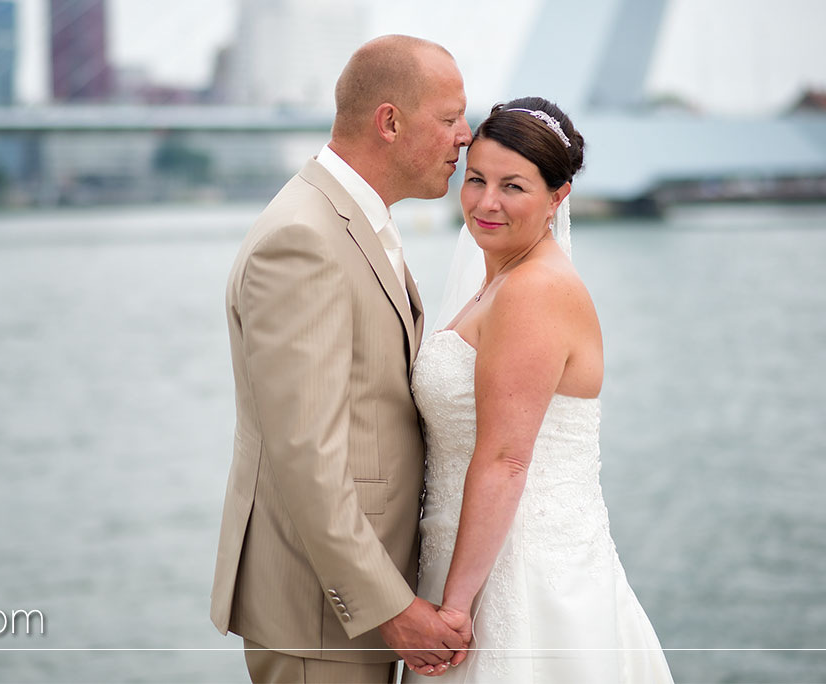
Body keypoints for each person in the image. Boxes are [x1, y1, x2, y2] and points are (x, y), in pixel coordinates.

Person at [210, 35, 475, 683]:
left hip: (355, 609)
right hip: (321, 617)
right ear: (389, 122)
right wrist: (390, 607)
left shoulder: (353, 220)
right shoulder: (304, 238)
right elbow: (305, 455)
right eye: (448, 119)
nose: (465, 136)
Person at [409, 99, 675, 681]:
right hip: (469, 556)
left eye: (514, 186)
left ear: (558, 198)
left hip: (517, 575)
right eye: (476, 179)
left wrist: (455, 607)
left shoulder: (535, 291)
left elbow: (506, 459)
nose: (486, 202)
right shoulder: (498, 283)